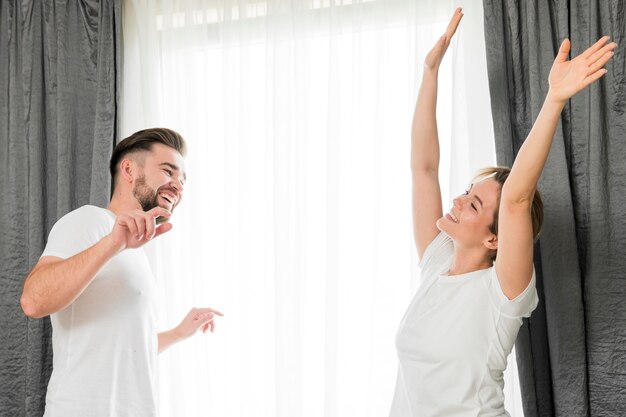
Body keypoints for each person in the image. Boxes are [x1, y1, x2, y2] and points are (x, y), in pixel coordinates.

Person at [389, 8, 616, 417]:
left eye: (473, 204)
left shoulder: (502, 293)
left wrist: (554, 100)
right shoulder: (437, 262)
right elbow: (423, 169)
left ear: (495, 239)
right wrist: (429, 72)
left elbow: (515, 199)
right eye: (466, 193)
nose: (456, 202)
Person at [20, 128, 223, 417]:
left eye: (183, 180)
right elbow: (33, 300)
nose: (178, 185)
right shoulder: (89, 221)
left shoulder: (136, 253)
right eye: (168, 171)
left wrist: (179, 333)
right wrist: (112, 244)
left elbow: (126, 348)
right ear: (128, 169)